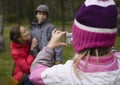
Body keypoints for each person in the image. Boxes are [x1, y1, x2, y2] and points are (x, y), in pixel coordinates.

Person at [29, 0, 120, 85]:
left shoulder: (67, 73)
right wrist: (103, 40)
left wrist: (49, 47)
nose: (41, 16)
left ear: (78, 38)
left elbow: (35, 74)